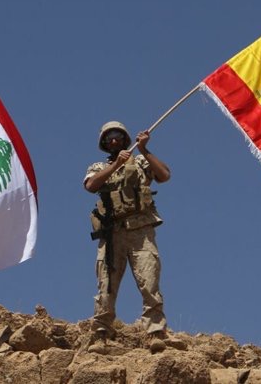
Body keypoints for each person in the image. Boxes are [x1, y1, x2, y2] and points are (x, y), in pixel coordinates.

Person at [83, 121, 171, 353]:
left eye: (118, 136)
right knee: (106, 285)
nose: (114, 140)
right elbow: (91, 185)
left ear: (125, 139)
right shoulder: (97, 166)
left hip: (140, 231)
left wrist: (144, 150)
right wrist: (115, 166)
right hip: (112, 234)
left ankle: (155, 332)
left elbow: (164, 175)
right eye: (109, 137)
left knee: (149, 281)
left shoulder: (141, 161)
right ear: (104, 143)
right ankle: (101, 333)